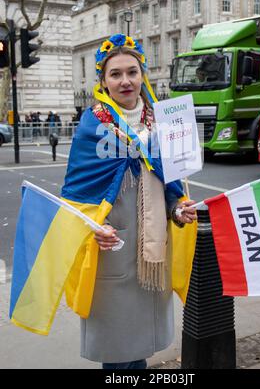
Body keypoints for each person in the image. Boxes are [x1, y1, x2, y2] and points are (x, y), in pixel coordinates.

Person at [61, 34, 197, 370]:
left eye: (132, 72)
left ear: (142, 76)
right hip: (111, 249)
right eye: (116, 74)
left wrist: (178, 209)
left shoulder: (164, 121)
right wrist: (95, 227)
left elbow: (171, 182)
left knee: (140, 347)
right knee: (117, 347)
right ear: (103, 82)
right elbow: (76, 195)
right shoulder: (92, 125)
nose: (125, 81)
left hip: (152, 253)